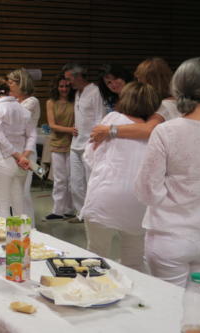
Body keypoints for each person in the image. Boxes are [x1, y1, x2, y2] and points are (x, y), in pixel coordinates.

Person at [135, 56, 200, 287]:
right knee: (199, 314)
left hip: (170, 234)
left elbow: (147, 191)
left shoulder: (166, 132)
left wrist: (173, 200)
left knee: (171, 313)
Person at [81, 82, 160, 272]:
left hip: (105, 195)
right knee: (134, 261)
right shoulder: (156, 131)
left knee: (95, 255)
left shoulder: (113, 119)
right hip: (138, 201)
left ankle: (94, 296)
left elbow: (89, 156)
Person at [90, 57, 176, 143]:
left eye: (140, 80)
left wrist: (109, 130)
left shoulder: (164, 105)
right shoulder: (170, 101)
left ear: (151, 81)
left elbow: (148, 129)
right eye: (108, 82)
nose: (138, 83)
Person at [0, 77, 37, 218]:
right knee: (19, 208)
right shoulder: (22, 108)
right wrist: (24, 156)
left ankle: (7, 240)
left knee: (2, 208)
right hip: (21, 164)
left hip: (2, 161)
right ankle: (22, 239)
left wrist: (18, 156)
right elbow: (32, 135)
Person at [63, 63, 105, 217]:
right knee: (75, 184)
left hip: (91, 143)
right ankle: (81, 213)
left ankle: (92, 214)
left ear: (78, 76)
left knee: (90, 182)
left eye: (69, 79)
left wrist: (97, 141)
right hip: (75, 144)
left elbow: (100, 118)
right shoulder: (77, 93)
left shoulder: (95, 91)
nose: (67, 83)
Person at [7, 68, 39, 224]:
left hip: (26, 152)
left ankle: (31, 229)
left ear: (21, 83)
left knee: (23, 193)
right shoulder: (13, 101)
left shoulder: (31, 101)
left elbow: (16, 118)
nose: (9, 85)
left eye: (11, 82)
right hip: (14, 152)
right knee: (13, 194)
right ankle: (18, 226)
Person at [43, 74, 76, 221]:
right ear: (57, 87)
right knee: (60, 179)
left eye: (67, 86)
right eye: (61, 86)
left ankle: (70, 209)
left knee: (72, 179)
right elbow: (52, 125)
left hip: (73, 144)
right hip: (57, 143)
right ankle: (57, 210)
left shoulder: (75, 101)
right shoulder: (51, 102)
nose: (64, 89)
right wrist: (70, 130)